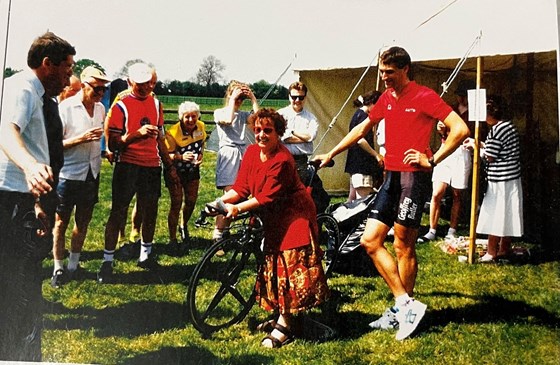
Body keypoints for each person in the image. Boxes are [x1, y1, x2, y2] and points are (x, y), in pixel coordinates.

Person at [314, 46, 469, 340]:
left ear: (405, 70)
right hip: (391, 177)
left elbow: (460, 128)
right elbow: (362, 129)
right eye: (382, 72)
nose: (384, 77)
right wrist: (331, 152)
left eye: (389, 72)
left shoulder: (424, 96)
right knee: (370, 240)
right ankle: (405, 305)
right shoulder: (386, 97)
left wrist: (432, 158)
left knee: (402, 245)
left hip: (414, 178)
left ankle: (405, 310)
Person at [212, 108, 329, 348]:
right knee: (272, 263)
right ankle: (282, 316)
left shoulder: (283, 159)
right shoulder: (253, 152)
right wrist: (220, 203)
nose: (261, 135)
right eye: (257, 130)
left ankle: (284, 326)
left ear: (278, 133)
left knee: (287, 265)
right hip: (273, 216)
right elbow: (242, 187)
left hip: (294, 216)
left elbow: (267, 197)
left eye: (268, 131)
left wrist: (237, 209)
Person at [0, 31, 75, 361]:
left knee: (27, 290)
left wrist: (39, 202)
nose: (70, 76)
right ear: (48, 64)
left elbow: (40, 145)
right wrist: (30, 167)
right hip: (9, 201)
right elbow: (6, 130)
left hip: (27, 201)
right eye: (68, 68)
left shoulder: (44, 97)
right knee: (14, 293)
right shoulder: (22, 87)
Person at [99, 62, 179, 283]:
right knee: (118, 212)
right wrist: (137, 134)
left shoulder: (156, 104)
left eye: (148, 84)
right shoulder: (121, 105)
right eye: (140, 84)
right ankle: (107, 261)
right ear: (129, 82)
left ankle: (146, 255)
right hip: (128, 165)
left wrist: (169, 165)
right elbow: (115, 144)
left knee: (150, 211)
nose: (145, 88)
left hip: (151, 166)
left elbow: (160, 139)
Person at [50, 66, 110, 288]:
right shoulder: (65, 108)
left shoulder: (101, 109)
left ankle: (74, 265)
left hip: (91, 174)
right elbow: (53, 146)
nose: (100, 93)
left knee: (83, 221)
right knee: (60, 222)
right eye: (97, 88)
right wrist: (80, 139)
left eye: (103, 89)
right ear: (84, 85)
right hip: (68, 174)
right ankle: (58, 267)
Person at [418, 80, 476, 243]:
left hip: (462, 152)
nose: (461, 99)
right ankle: (432, 229)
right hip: (446, 150)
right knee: (437, 192)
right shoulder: (450, 108)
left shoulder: (474, 112)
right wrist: (440, 128)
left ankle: (452, 229)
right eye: (459, 96)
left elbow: (477, 132)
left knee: (457, 194)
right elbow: (440, 128)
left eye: (463, 96)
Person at [476, 95, 523, 262]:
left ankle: (491, 252)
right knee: (507, 215)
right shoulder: (508, 126)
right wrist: (481, 144)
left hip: (500, 180)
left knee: (495, 216)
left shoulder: (496, 129)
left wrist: (477, 150)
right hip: (511, 178)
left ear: (491, 113)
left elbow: (490, 156)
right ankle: (504, 248)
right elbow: (498, 149)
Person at [212, 80, 258, 243]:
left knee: (240, 195)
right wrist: (233, 99)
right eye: (236, 97)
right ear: (229, 95)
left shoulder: (243, 115)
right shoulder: (220, 112)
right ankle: (218, 234)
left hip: (242, 153)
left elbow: (258, 121)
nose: (239, 102)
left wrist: (252, 99)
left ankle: (226, 233)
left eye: (241, 99)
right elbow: (228, 120)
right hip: (228, 154)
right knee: (230, 195)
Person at [279, 81, 329, 212]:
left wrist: (291, 132)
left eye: (301, 97)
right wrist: (302, 138)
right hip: (283, 160)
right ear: (289, 96)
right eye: (294, 97)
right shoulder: (280, 115)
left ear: (305, 97)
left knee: (318, 196)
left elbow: (310, 137)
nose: (297, 100)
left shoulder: (311, 118)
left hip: (301, 162)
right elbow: (280, 137)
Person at [163, 101, 206, 253]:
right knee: (176, 203)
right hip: (175, 170)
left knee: (191, 201)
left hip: (192, 170)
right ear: (181, 117)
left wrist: (200, 154)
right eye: (187, 117)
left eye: (193, 116)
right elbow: (166, 155)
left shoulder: (201, 126)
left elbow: (201, 143)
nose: (191, 120)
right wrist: (180, 157)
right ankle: (172, 239)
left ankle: (183, 225)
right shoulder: (173, 133)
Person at [344, 91, 384, 202]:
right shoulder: (363, 117)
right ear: (372, 103)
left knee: (351, 200)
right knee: (362, 201)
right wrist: (376, 155)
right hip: (362, 165)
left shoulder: (357, 114)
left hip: (355, 165)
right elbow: (360, 140)